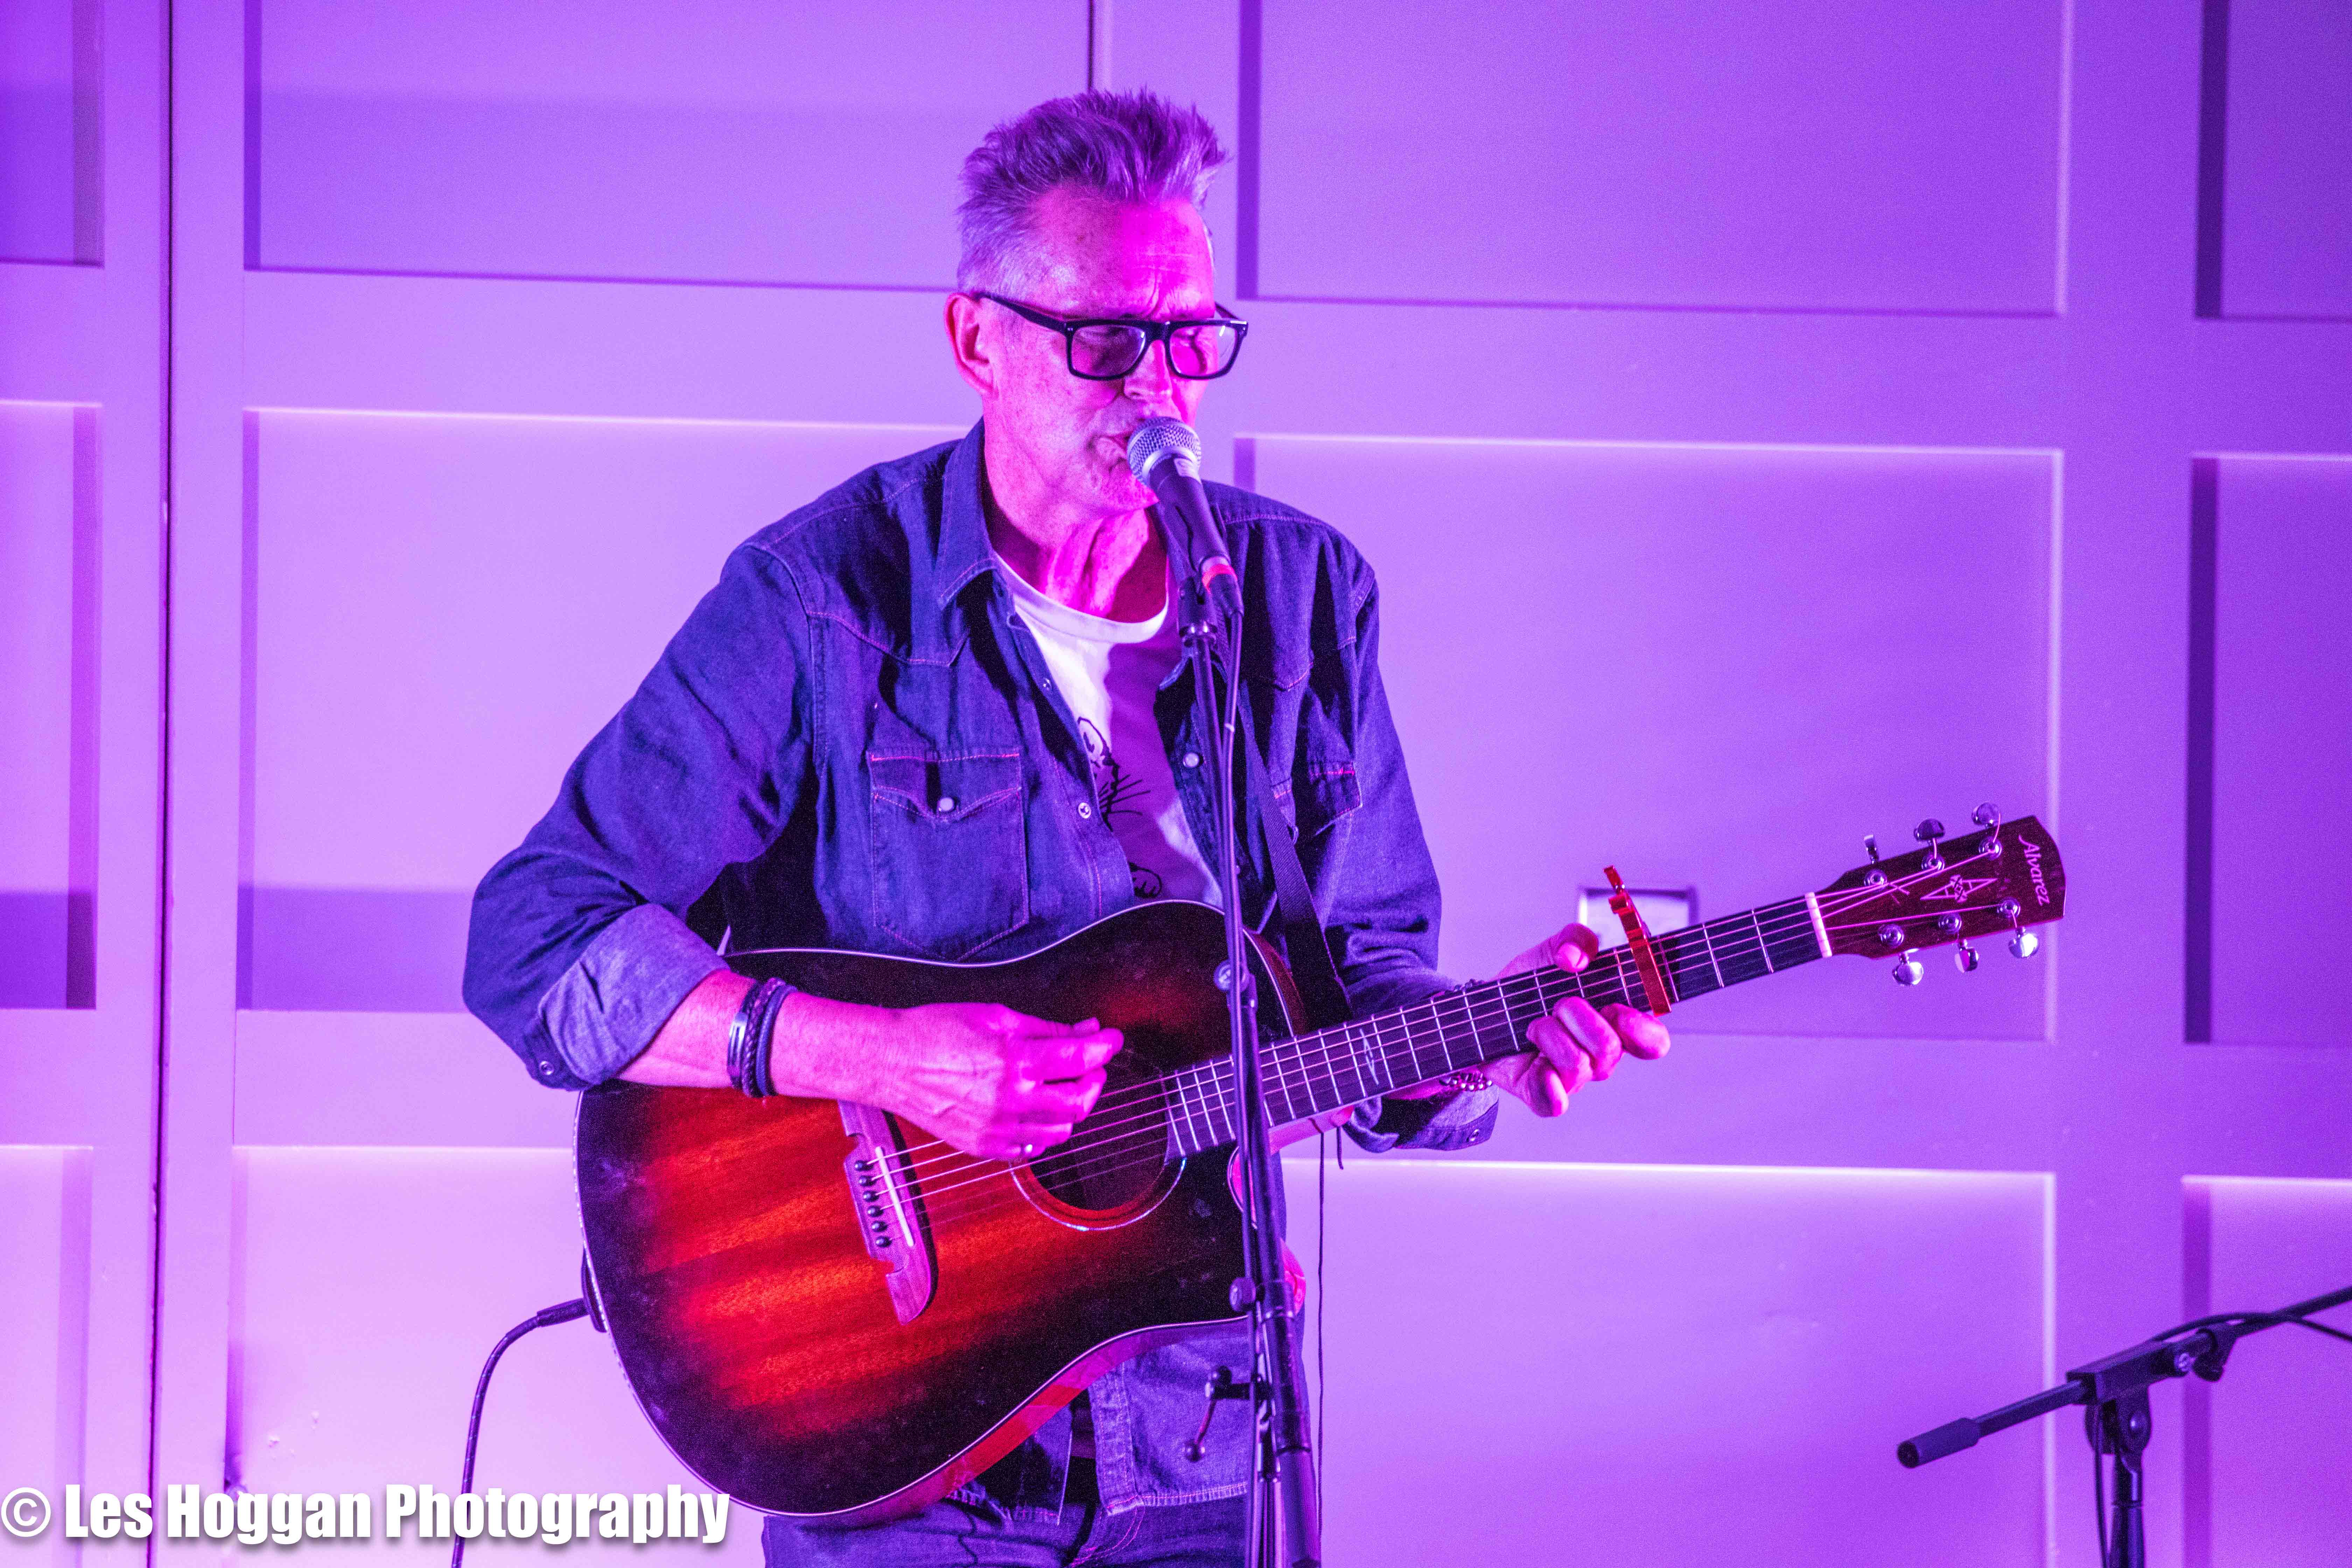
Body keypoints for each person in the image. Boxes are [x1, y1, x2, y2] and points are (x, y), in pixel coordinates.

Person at [463, 88, 1669, 1567]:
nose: (1157, 389)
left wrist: (1479, 1044)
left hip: (1203, 1431)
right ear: (978, 339)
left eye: (1190, 339)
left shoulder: (1299, 601)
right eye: (1105, 341)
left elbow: (1358, 990)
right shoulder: (820, 599)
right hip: (902, 1448)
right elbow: (534, 940)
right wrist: (884, 1059)